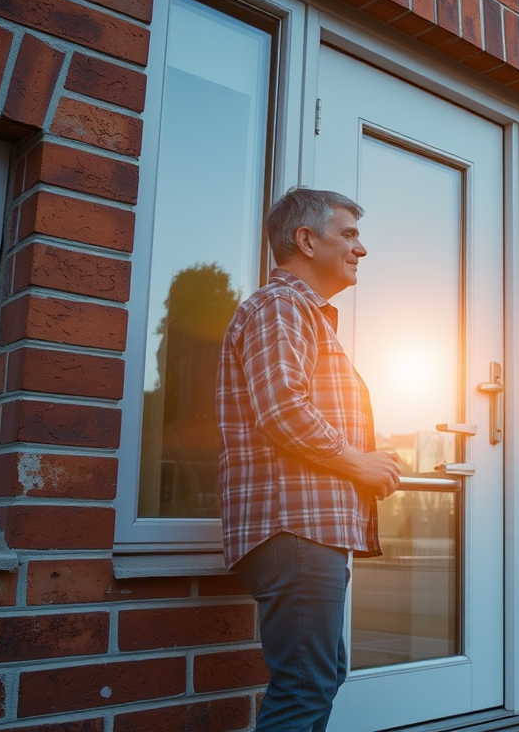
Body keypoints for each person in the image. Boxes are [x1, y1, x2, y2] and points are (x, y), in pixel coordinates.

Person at [217, 187, 401, 731]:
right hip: (294, 528)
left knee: (318, 677)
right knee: (305, 686)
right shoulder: (281, 307)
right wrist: (358, 463)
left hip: (306, 531)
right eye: (348, 234)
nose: (360, 249)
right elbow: (282, 410)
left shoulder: (303, 315)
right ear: (306, 239)